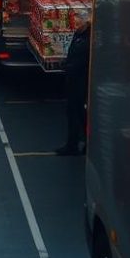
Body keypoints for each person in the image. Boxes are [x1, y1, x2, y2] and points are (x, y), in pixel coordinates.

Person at [55, 20, 91, 156]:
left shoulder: (87, 39)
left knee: (78, 112)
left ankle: (79, 143)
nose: (75, 24)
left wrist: (68, 66)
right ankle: (73, 143)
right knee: (74, 112)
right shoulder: (79, 35)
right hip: (73, 79)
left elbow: (82, 61)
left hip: (80, 81)